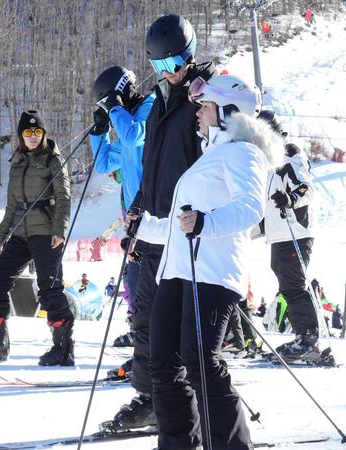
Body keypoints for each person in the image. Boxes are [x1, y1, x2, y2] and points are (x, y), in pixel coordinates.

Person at [130, 72, 267, 450]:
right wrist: (142, 228)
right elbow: (181, 226)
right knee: (163, 362)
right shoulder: (209, 157)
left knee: (201, 363)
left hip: (213, 273)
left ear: (227, 112)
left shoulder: (243, 152)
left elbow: (251, 208)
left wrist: (207, 222)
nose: (198, 113)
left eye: (204, 106)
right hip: (178, 271)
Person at [100, 14, 217, 434]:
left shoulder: (202, 101)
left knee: (185, 333)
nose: (169, 74)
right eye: (160, 67)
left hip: (184, 235)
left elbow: (215, 165)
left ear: (190, 55)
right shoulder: (159, 104)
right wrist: (135, 209)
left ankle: (199, 409)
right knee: (144, 320)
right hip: (151, 230)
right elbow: (150, 168)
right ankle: (151, 400)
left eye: (175, 64)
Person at [0, 110, 71, 365]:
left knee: (50, 289)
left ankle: (63, 349)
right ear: (21, 136)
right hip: (20, 232)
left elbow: (64, 198)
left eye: (37, 132)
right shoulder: (18, 161)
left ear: (43, 134)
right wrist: (2, 235)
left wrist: (59, 231)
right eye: (27, 133)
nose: (33, 137)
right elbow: (12, 203)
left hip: (46, 233)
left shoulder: (53, 160)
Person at [90, 64, 155, 358]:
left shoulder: (149, 108)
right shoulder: (126, 119)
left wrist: (115, 110)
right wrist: (100, 131)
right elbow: (103, 163)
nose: (109, 107)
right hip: (133, 219)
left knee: (146, 284)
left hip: (154, 213)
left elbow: (133, 137)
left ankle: (150, 345)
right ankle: (142, 339)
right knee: (134, 281)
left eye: (108, 100)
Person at [263, 111, 327, 363]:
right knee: (286, 280)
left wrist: (291, 199)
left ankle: (309, 338)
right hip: (280, 232)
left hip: (295, 230)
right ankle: (303, 335)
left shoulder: (289, 154)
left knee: (293, 282)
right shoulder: (269, 160)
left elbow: (305, 187)